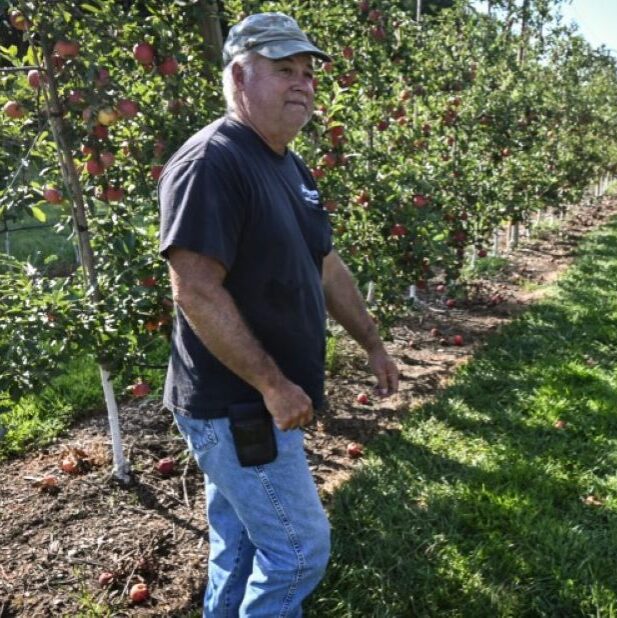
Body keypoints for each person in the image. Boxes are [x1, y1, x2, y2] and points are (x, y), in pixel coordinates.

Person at [158, 12, 399, 616]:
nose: (304, 84)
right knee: (298, 551)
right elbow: (195, 288)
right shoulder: (212, 162)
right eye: (284, 70)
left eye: (308, 73)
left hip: (261, 400)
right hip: (239, 405)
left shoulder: (288, 164)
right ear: (240, 75)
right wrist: (271, 383)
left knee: (239, 545)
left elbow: (325, 266)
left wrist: (371, 343)